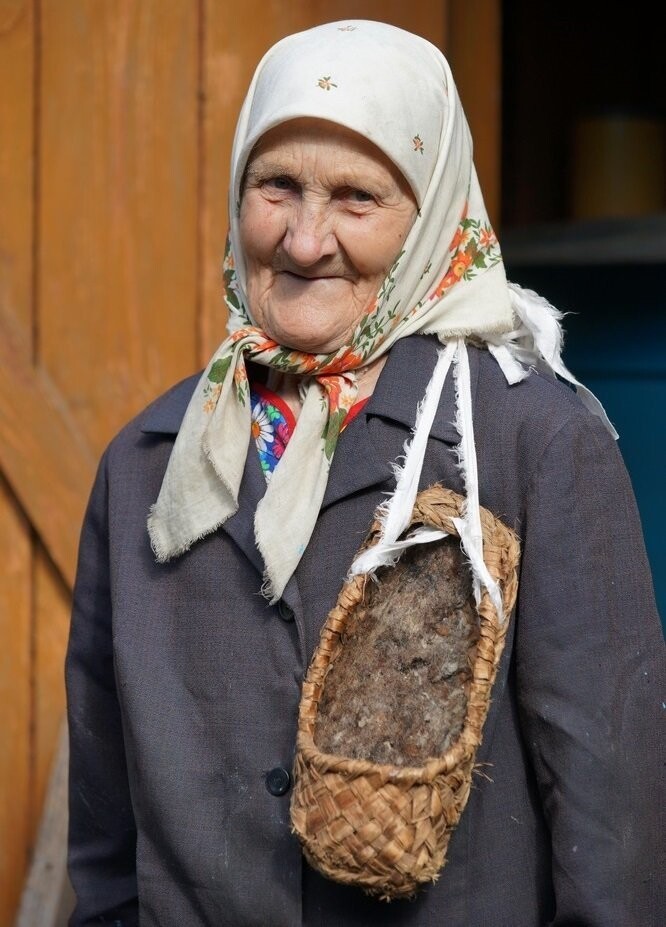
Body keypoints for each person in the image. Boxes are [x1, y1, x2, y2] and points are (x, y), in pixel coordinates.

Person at [65, 20, 663, 927]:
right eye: (277, 187)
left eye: (356, 198)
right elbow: (106, 842)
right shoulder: (148, 462)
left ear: (433, 218)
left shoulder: (531, 438)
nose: (306, 242)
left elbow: (611, 816)